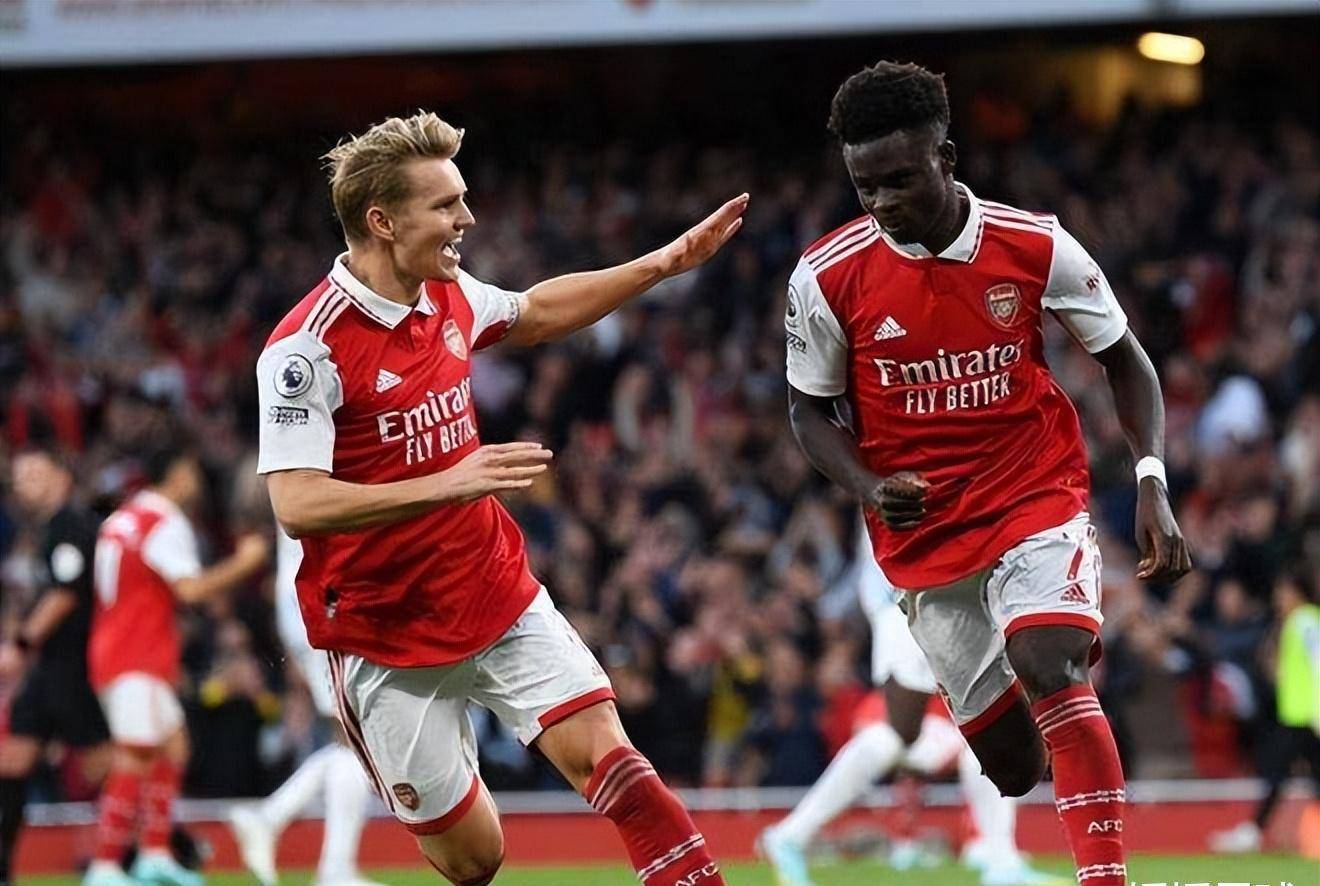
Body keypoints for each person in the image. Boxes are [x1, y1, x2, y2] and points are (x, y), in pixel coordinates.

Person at [256, 111, 745, 886]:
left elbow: (535, 312)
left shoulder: (446, 295)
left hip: (494, 591)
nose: (467, 219)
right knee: (475, 858)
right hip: (384, 634)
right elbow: (296, 504)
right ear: (383, 222)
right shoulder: (305, 349)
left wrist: (660, 265)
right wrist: (447, 483)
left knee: (617, 764)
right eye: (446, 204)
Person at [783, 61, 1191, 886]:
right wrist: (866, 487)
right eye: (865, 186)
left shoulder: (1034, 244)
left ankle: (1104, 876)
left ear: (946, 157)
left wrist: (1151, 477)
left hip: (1033, 492)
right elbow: (807, 411)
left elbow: (1126, 360)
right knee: (1014, 767)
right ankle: (1052, 735)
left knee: (1052, 662)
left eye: (900, 179)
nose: (881, 202)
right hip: (924, 534)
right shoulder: (826, 276)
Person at [759, 521, 1066, 886]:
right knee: (901, 733)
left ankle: (1001, 860)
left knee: (968, 736)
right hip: (909, 594)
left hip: (936, 590)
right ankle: (790, 835)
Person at [84, 449, 270, 886]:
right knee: (136, 753)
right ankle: (105, 865)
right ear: (179, 474)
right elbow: (191, 591)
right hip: (137, 653)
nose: (197, 483)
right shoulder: (163, 519)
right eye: (192, 472)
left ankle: (155, 853)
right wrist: (246, 562)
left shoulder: (123, 517)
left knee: (174, 746)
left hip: (115, 645)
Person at [228, 527, 380, 886]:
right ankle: (332, 867)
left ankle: (272, 819)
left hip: (312, 599)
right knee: (355, 735)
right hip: (323, 602)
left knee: (355, 736)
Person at [0, 449, 110, 886]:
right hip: (49, 669)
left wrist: (20, 646)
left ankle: (160, 845)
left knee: (106, 765)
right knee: (12, 760)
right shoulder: (47, 530)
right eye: (19, 475)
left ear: (62, 477)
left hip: (74, 666)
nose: (23, 482)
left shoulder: (70, 525)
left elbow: (65, 594)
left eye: (34, 472)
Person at [1210, 570, 1320, 853]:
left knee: (1277, 774)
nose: (1278, 598)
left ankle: (1253, 832)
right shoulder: (1297, 622)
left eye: (1283, 591)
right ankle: (1253, 831)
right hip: (1298, 715)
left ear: (1296, 592)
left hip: (1305, 716)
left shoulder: (1305, 621)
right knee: (1287, 775)